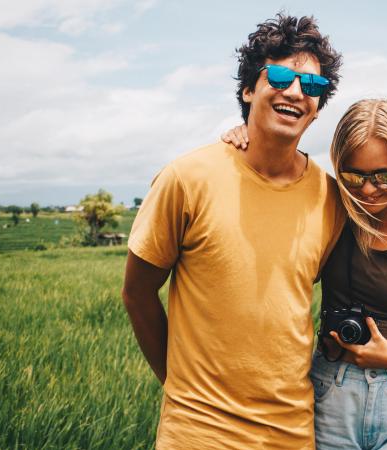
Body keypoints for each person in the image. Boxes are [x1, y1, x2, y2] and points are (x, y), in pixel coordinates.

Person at [122, 13, 344, 449]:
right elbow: (137, 293)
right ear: (248, 89)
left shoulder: (329, 198)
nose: (297, 92)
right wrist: (181, 389)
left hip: (292, 434)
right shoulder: (188, 178)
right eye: (280, 76)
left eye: (313, 86)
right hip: (198, 432)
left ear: (317, 109)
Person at [222, 98, 387, 449]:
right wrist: (247, 142)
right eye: (353, 176)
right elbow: (266, 203)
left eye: (383, 177)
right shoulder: (330, 210)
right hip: (333, 392)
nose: (367, 189)